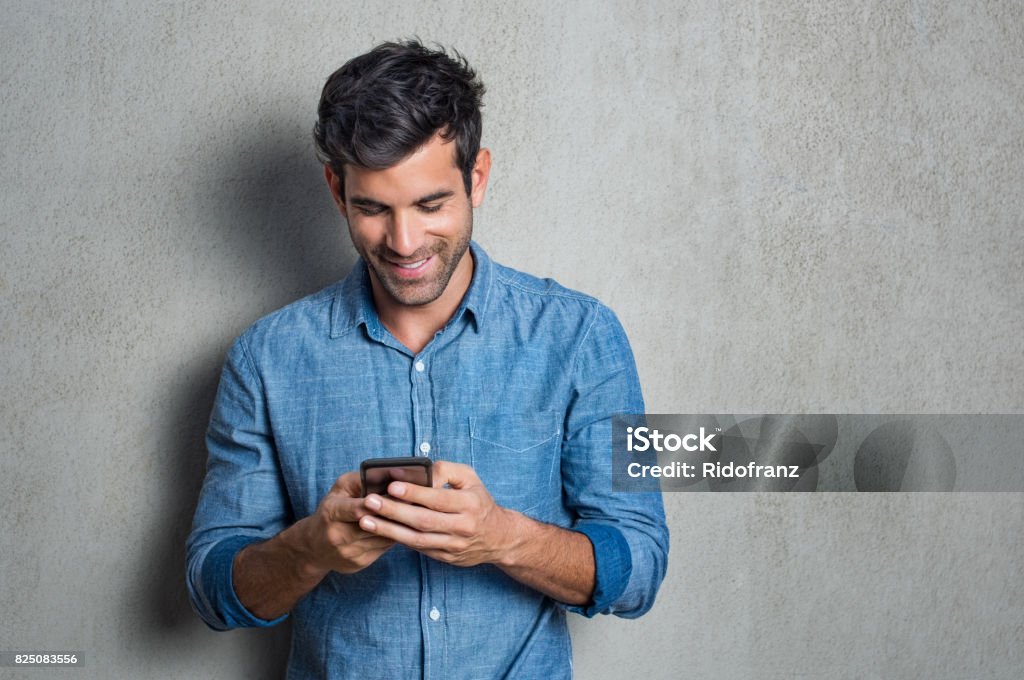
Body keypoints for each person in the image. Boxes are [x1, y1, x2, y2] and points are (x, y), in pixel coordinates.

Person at [186, 39, 668, 679]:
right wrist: (309, 549)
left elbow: (639, 565)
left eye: (431, 204)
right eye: (373, 209)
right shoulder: (265, 359)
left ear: (478, 178)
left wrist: (502, 537)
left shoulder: (583, 337)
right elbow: (214, 591)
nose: (404, 241)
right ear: (337, 191)